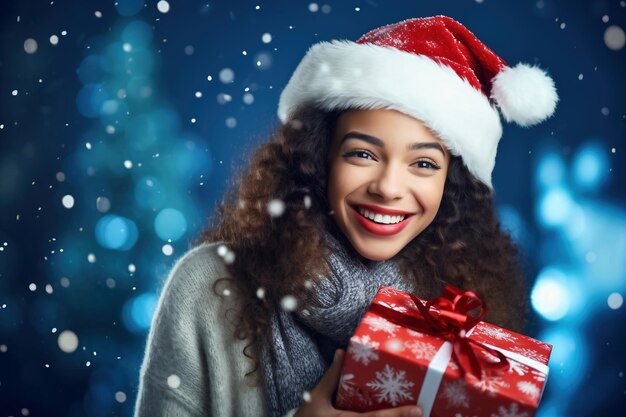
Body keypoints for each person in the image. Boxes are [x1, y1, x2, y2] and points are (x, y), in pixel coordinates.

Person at [134, 15, 557, 417]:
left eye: (424, 164)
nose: (389, 187)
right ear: (321, 159)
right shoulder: (209, 285)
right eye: (362, 154)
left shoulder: (461, 316)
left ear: (452, 184)